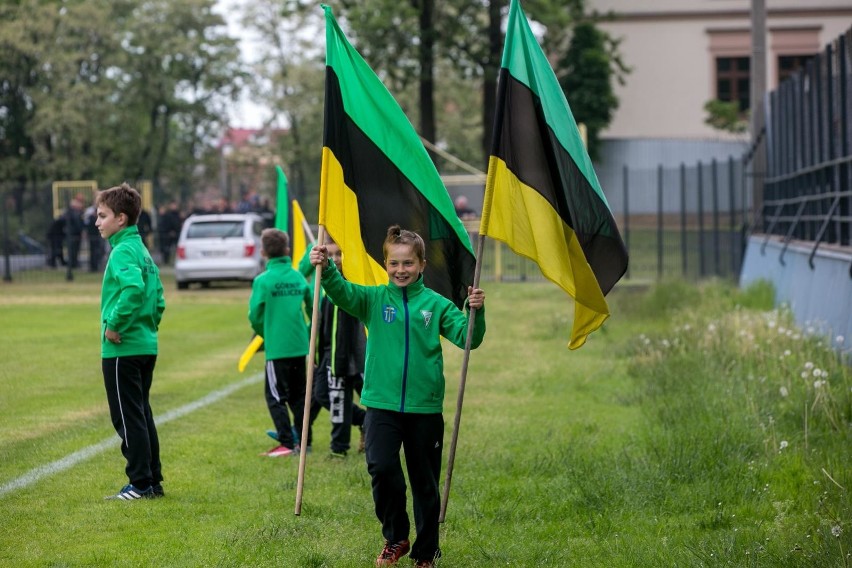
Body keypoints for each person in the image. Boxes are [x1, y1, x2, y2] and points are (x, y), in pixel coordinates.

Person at [309, 225, 486, 568]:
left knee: (425, 484)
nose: (400, 270)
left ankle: (425, 553)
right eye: (394, 263)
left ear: (421, 265)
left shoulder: (436, 305)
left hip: (425, 408)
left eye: (408, 264)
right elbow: (343, 293)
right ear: (386, 264)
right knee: (381, 466)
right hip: (381, 405)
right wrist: (327, 268)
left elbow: (468, 339)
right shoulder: (374, 299)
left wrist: (475, 312)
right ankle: (396, 537)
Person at [96, 182, 166, 500]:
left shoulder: (123, 250)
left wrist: (114, 324)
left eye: (102, 216)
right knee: (141, 413)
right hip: (145, 344)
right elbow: (159, 299)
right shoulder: (142, 250)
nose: (98, 222)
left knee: (127, 416)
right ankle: (152, 481)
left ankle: (139, 484)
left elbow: (135, 290)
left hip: (123, 346)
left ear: (120, 219)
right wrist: (148, 326)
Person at [249, 228, 312, 457]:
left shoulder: (263, 281)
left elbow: (254, 315)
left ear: (263, 251)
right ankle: (305, 440)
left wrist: (265, 333)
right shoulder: (298, 276)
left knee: (275, 396)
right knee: (298, 395)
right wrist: (306, 331)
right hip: (299, 345)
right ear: (287, 250)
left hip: (277, 348)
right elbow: (313, 308)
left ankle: (287, 442)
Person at [308, 240, 367, 458]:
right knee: (324, 394)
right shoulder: (325, 283)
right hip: (327, 351)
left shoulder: (349, 284)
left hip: (345, 353)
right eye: (330, 254)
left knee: (337, 396)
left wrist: (343, 357)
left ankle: (339, 448)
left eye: (338, 254)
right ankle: (365, 421)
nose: (334, 259)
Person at [64, 196, 85, 269]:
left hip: (76, 233)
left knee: (76, 249)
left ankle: (74, 263)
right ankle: (72, 263)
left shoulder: (79, 212)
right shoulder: (71, 212)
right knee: (72, 249)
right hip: (72, 233)